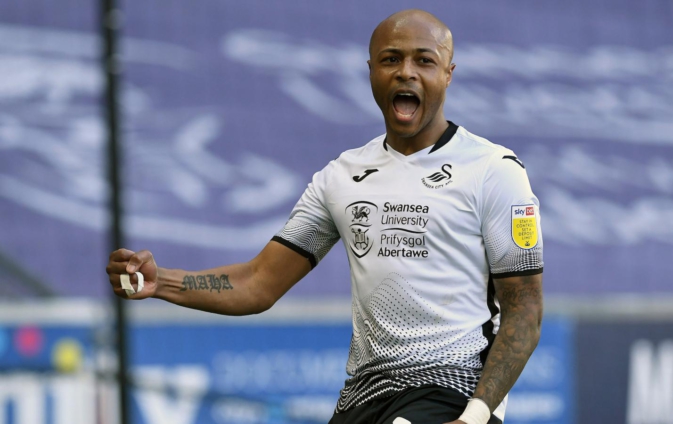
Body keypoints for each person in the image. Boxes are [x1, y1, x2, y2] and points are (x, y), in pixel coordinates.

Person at [106, 9, 543, 424]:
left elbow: (525, 309)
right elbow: (259, 282)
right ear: (371, 71)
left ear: (448, 73)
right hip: (365, 396)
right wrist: (161, 282)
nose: (406, 72)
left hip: (453, 390)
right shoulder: (342, 176)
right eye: (391, 59)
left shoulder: (494, 171)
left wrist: (475, 414)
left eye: (424, 61)